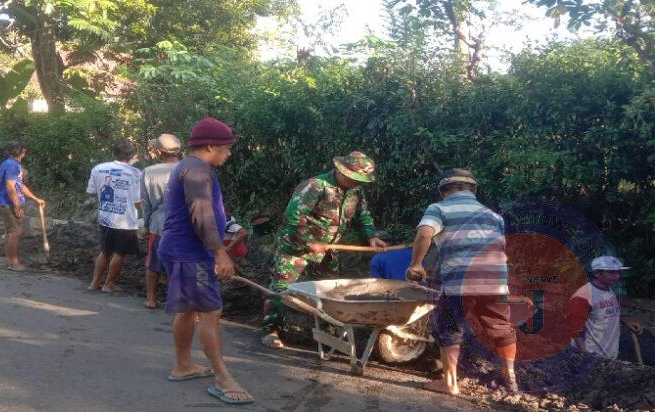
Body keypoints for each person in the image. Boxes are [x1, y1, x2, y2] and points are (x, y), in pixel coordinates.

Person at [158, 117, 253, 405]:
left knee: (188, 311)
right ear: (210, 146)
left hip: (183, 250)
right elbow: (202, 213)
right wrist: (219, 252)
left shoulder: (191, 167)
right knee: (210, 312)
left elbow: (211, 210)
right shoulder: (197, 170)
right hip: (190, 253)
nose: (229, 153)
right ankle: (224, 379)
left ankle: (183, 365)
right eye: (226, 147)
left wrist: (229, 230)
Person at [406, 168, 518, 395]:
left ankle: (450, 384)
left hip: (460, 283)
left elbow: (425, 234)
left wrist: (416, 264)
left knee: (449, 328)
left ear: (443, 191)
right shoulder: (494, 216)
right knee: (501, 328)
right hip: (496, 282)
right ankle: (511, 379)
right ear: (473, 190)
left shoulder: (438, 208)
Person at [262, 151, 388, 349]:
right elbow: (293, 217)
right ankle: (271, 329)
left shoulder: (356, 191)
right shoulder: (315, 186)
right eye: (354, 178)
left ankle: (330, 331)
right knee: (282, 289)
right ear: (341, 170)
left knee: (330, 290)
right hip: (296, 247)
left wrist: (371, 237)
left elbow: (362, 216)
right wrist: (308, 241)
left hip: (329, 251)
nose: (357, 182)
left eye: (360, 180)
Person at [86, 140, 142, 293]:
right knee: (119, 253)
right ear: (132, 155)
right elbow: (138, 201)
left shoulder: (98, 169)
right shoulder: (136, 174)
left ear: (113, 153)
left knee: (105, 251)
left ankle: (94, 283)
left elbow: (91, 191)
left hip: (105, 217)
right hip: (125, 221)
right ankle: (108, 284)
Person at [569, 256, 642, 359]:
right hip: (591, 354)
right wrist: (584, 353)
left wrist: (625, 322)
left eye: (618, 272)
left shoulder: (609, 290)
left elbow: (604, 313)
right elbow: (575, 329)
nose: (617, 276)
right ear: (597, 273)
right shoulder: (583, 296)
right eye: (612, 272)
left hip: (608, 353)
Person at [140, 134, 181, 309]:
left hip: (158, 225)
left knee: (154, 263)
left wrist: (146, 226)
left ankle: (151, 299)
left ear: (158, 152)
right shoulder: (188, 169)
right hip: (182, 226)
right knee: (178, 264)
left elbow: (146, 204)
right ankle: (176, 301)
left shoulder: (148, 172)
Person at [0, 142, 45, 271]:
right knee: (15, 232)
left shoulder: (12, 164)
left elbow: (20, 186)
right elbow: (10, 187)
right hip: (8, 203)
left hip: (7, 202)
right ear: (23, 152)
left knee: (11, 232)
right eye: (24, 151)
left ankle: (9, 262)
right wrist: (17, 206)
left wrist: (35, 198)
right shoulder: (12, 165)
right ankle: (14, 264)